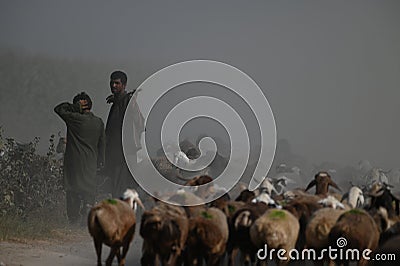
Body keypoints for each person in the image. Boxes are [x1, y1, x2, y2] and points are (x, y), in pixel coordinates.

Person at [54, 92, 105, 225]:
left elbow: (59, 109)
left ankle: (73, 221)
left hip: (74, 164)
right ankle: (87, 220)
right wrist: (101, 163)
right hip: (91, 164)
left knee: (72, 193)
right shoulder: (98, 122)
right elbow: (102, 145)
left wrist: (74, 107)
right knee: (88, 193)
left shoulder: (74, 118)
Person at [105, 70, 144, 197]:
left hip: (125, 153)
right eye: (112, 83)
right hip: (114, 152)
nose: (113, 86)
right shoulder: (117, 102)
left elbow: (140, 123)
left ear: (124, 85)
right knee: (115, 187)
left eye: (117, 83)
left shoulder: (129, 102)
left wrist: (127, 99)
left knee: (123, 188)